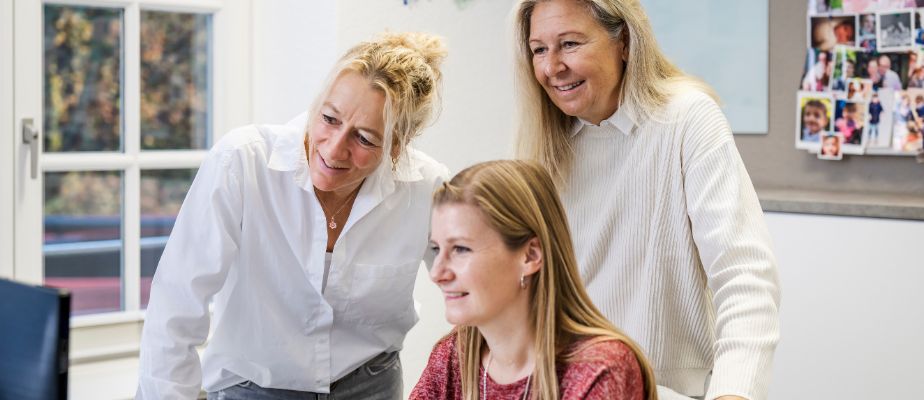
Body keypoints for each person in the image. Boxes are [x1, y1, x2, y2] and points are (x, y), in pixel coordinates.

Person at [135, 32, 450, 399]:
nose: (334, 149)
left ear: (399, 145)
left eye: (364, 138)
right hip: (254, 386)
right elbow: (177, 304)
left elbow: (476, 282)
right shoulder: (243, 162)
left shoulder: (427, 187)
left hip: (371, 385)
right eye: (329, 119)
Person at [512, 1, 781, 399]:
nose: (552, 67)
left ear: (623, 40)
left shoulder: (687, 119)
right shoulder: (545, 148)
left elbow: (743, 275)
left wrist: (734, 392)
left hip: (664, 388)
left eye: (569, 44)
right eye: (539, 49)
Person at [412, 160, 657, 400]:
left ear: (530, 255)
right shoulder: (455, 357)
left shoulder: (600, 370)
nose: (437, 274)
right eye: (436, 249)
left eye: (461, 249)